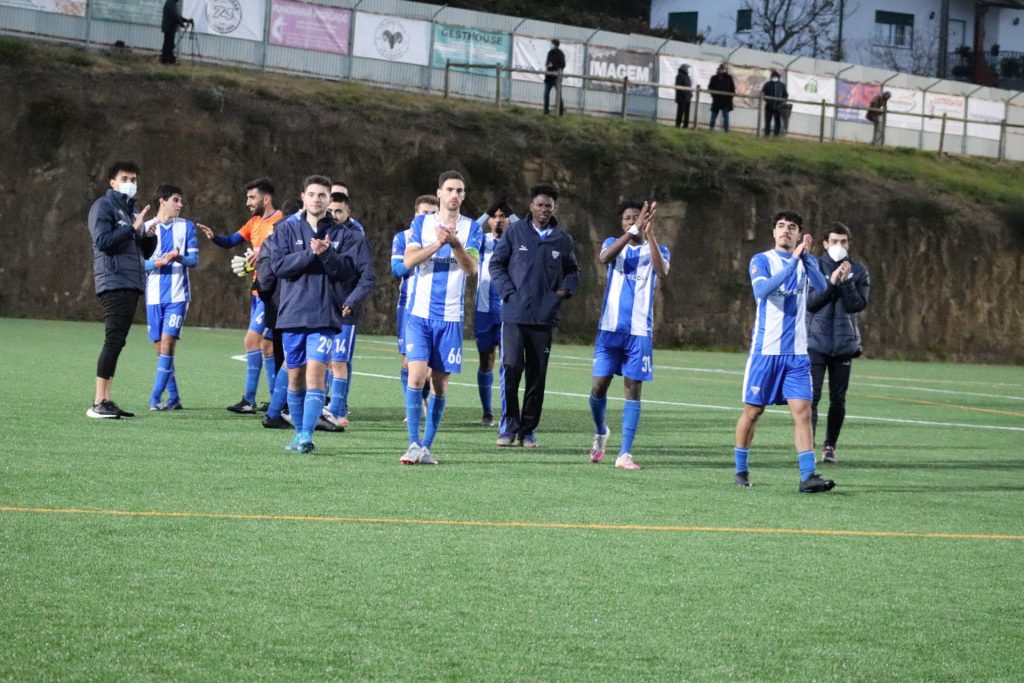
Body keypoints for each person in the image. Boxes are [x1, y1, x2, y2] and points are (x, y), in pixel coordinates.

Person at [733, 211, 836, 493]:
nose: (786, 231)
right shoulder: (761, 260)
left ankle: (807, 476)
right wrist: (792, 263)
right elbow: (762, 291)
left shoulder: (805, 261)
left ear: (799, 234)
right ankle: (740, 469)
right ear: (773, 233)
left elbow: (822, 287)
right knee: (753, 411)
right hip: (765, 352)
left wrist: (807, 259)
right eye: (780, 226)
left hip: (797, 355)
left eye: (792, 227)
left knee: (802, 411)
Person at [271, 175, 373, 454]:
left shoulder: (344, 235)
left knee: (316, 373)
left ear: (329, 200)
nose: (317, 199)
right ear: (303, 196)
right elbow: (279, 267)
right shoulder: (285, 230)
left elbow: (349, 272)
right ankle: (297, 433)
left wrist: (327, 255)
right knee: (295, 376)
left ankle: (305, 434)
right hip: (292, 313)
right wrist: (310, 255)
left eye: (322, 195)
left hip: (325, 315)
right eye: (312, 194)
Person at [400, 171, 482, 465]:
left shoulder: (472, 229)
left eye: (460, 191)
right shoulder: (422, 223)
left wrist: (456, 244)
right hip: (419, 314)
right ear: (439, 193)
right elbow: (409, 261)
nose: (455, 195)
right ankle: (411, 443)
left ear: (464, 195)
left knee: (440, 386)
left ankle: (426, 447)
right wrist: (437, 244)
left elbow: (471, 269)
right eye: (450, 189)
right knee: (416, 374)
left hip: (450, 319)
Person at [490, 184, 579, 448]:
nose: (543, 210)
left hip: (544, 318)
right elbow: (496, 264)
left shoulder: (562, 239)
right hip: (515, 314)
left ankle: (528, 431)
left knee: (537, 375)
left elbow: (573, 271)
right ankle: (508, 428)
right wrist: (509, 293)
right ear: (531, 206)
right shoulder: (515, 232)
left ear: (554, 208)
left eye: (548, 206)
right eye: (539, 205)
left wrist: (561, 293)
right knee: (511, 367)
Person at [587, 201, 669, 471]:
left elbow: (661, 270)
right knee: (598, 387)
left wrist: (651, 235)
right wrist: (630, 232)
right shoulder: (614, 242)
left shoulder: (657, 248)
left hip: (639, 333)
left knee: (633, 391)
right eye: (627, 218)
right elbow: (603, 258)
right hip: (610, 330)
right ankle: (601, 432)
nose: (632, 221)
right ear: (621, 223)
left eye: (636, 217)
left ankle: (625, 453)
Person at [198, 178, 282, 414]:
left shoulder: (282, 221)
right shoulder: (255, 222)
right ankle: (275, 398)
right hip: (257, 293)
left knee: (251, 341)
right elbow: (231, 241)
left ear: (266, 198)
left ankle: (249, 399)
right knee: (266, 346)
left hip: (272, 294)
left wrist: (263, 254)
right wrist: (214, 237)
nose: (247, 202)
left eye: (251, 197)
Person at [87, 160, 155, 419]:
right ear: (112, 182)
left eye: (134, 179)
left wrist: (149, 236)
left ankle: (105, 399)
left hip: (130, 281)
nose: (131, 183)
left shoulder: (131, 210)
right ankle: (98, 402)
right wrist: (132, 228)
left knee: (118, 341)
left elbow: (140, 250)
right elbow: (103, 241)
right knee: (113, 339)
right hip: (114, 280)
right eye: (126, 178)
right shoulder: (103, 206)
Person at [807, 222, 870, 464]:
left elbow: (857, 305)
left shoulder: (859, 270)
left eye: (843, 242)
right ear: (825, 244)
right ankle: (808, 446)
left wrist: (845, 282)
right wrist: (832, 283)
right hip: (815, 342)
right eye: (834, 241)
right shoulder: (813, 266)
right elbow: (811, 302)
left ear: (849, 244)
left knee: (838, 399)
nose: (839, 246)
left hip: (844, 344)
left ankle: (830, 446)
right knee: (811, 397)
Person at [144, 184, 199, 411]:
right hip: (153, 297)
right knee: (160, 349)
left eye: (181, 200)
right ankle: (174, 398)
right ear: (162, 201)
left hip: (178, 296)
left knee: (167, 344)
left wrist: (177, 258)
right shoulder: (146, 228)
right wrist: (157, 262)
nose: (180, 204)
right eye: (176, 200)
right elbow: (138, 264)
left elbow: (193, 261)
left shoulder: (187, 227)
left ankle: (155, 397)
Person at [322, 192, 375, 430]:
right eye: (330, 210)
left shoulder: (355, 239)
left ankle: (337, 411)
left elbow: (367, 277)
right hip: (320, 308)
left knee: (339, 361)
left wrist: (352, 301)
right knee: (322, 361)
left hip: (345, 311)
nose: (334, 215)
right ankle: (324, 408)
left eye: (339, 211)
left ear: (348, 212)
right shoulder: (317, 234)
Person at [392, 195, 439, 412]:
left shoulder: (447, 239)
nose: (428, 217)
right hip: (409, 305)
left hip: (437, 306)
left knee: (431, 365)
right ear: (415, 215)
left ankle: (423, 398)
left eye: (432, 213)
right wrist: (421, 256)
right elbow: (398, 270)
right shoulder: (403, 238)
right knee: (408, 361)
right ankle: (414, 405)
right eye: (424, 213)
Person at [473, 199, 515, 427]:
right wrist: (487, 211)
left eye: (503, 216)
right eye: (494, 216)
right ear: (489, 220)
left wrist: (512, 212)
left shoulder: (516, 240)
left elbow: (524, 228)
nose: (498, 219)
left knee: (507, 362)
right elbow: (469, 230)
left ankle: (507, 413)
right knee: (486, 359)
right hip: (484, 310)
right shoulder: (481, 241)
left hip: (508, 308)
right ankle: (487, 412)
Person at [160, 0, 192, 65]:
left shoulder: (171, 2)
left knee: (168, 44)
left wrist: (186, 20)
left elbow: (177, 15)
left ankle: (167, 60)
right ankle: (168, 60)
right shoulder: (171, 3)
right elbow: (175, 16)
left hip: (169, 27)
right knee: (169, 44)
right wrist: (182, 25)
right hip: (169, 27)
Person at [708, 63, 736, 132]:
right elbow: (710, 87)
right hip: (716, 100)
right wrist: (714, 95)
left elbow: (733, 89)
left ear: (725, 70)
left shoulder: (729, 78)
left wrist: (729, 97)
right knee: (713, 115)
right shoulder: (714, 78)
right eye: (720, 69)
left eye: (723, 69)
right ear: (718, 69)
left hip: (726, 101)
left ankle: (726, 130)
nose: (722, 70)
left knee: (725, 116)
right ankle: (711, 128)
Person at [761, 70, 788, 137]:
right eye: (773, 76)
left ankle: (776, 135)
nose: (774, 77)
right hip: (769, 107)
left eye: (775, 76)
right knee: (768, 121)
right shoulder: (767, 84)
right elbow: (763, 93)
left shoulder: (781, 85)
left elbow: (785, 95)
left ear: (778, 77)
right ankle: (766, 134)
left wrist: (782, 102)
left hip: (778, 107)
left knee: (777, 121)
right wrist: (767, 100)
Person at [544, 39, 566, 116]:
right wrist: (547, 65)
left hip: (557, 78)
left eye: (551, 44)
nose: (550, 45)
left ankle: (561, 112)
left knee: (559, 95)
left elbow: (563, 65)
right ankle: (546, 112)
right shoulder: (550, 53)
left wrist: (553, 66)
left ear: (555, 44)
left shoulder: (560, 54)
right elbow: (547, 62)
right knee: (546, 94)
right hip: (549, 77)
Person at [674, 64, 692, 129]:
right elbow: (678, 86)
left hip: (687, 98)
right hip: (682, 98)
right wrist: (684, 94)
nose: (687, 70)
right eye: (687, 68)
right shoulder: (679, 76)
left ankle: (685, 125)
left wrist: (690, 95)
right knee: (680, 112)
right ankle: (678, 125)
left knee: (687, 113)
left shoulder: (687, 77)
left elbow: (689, 87)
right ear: (684, 69)